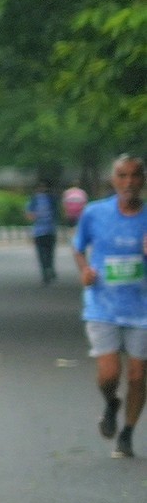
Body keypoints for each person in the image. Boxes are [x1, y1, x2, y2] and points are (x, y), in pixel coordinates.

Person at [72, 153, 147, 458]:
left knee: (138, 376)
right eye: (122, 176)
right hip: (102, 306)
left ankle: (127, 433)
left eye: (135, 175)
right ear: (113, 180)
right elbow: (78, 248)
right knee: (109, 375)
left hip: (142, 308)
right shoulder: (95, 213)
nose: (129, 182)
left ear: (143, 180)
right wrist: (85, 271)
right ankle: (111, 402)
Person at [29, 181, 60, 284]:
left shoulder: (34, 200)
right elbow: (57, 214)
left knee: (41, 254)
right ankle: (50, 268)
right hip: (50, 230)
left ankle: (45, 272)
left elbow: (30, 215)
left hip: (39, 231)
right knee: (50, 252)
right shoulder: (52, 199)